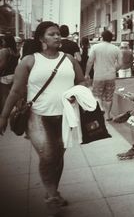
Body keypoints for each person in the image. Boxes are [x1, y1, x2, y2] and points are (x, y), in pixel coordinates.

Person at [0, 21, 86, 215]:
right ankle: (53, 196)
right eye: (52, 34)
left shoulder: (69, 60)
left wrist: (76, 93)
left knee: (58, 155)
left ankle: (52, 190)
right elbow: (15, 91)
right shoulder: (30, 61)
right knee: (48, 155)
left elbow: (81, 82)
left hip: (65, 115)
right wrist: (3, 116)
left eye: (58, 34)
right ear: (41, 39)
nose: (57, 37)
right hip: (38, 116)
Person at [85, 30, 120, 121]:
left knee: (97, 95)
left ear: (102, 37)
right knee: (109, 97)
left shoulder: (95, 47)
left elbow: (90, 62)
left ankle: (100, 108)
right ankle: (108, 115)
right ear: (111, 38)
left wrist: (87, 74)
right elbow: (121, 63)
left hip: (98, 76)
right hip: (111, 76)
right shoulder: (116, 49)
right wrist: (114, 70)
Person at [0, 34, 20, 112]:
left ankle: (4, 113)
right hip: (13, 75)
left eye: (4, 40)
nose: (2, 42)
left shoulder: (4, 51)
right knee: (11, 94)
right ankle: (13, 109)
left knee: (4, 96)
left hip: (4, 76)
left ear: (7, 41)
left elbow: (2, 65)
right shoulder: (16, 51)